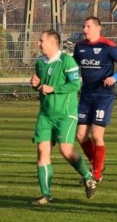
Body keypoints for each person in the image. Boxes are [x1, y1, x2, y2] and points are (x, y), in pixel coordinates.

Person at [29, 29, 97, 206]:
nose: (39, 43)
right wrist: (35, 85)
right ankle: (46, 195)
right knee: (42, 151)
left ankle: (88, 178)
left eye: (41, 40)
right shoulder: (40, 63)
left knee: (65, 151)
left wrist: (53, 89)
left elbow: (75, 85)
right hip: (45, 114)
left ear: (52, 43)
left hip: (66, 114)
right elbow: (41, 87)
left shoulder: (67, 61)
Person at [74, 16, 117, 182]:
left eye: (88, 27)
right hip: (86, 96)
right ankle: (97, 165)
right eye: (84, 26)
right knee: (80, 135)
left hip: (103, 97)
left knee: (96, 135)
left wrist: (115, 78)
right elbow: (71, 67)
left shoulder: (108, 46)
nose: (84, 30)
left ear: (98, 28)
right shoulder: (79, 47)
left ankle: (96, 175)